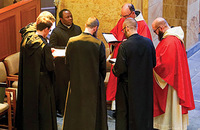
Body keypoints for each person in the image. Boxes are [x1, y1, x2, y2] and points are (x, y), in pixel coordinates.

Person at [62, 17, 108, 130]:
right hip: (93, 84)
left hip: (75, 82)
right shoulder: (98, 44)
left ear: (85, 25)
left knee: (75, 111)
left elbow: (67, 63)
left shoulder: (71, 41)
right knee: (92, 113)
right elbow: (103, 68)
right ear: (95, 28)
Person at [16, 11, 57, 130]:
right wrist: (50, 57)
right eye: (49, 29)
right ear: (45, 28)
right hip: (42, 81)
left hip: (28, 78)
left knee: (30, 107)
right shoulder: (43, 44)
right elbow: (49, 66)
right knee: (43, 110)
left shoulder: (26, 38)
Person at [106, 3, 152, 110]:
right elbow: (115, 32)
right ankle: (116, 107)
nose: (123, 19)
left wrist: (129, 44)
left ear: (132, 13)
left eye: (126, 16)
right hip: (119, 56)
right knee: (116, 83)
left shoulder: (142, 25)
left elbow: (142, 46)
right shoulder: (122, 20)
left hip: (131, 62)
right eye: (122, 16)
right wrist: (113, 40)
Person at [152, 17, 195, 129]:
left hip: (171, 82)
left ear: (161, 28)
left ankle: (170, 125)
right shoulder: (173, 38)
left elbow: (165, 66)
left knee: (172, 105)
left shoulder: (169, 42)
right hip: (176, 77)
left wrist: (152, 63)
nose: (156, 34)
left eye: (155, 31)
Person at [112, 18, 156, 130]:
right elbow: (153, 63)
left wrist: (114, 68)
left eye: (123, 30)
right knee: (143, 114)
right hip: (145, 86)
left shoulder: (124, 46)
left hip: (128, 87)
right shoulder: (148, 42)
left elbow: (119, 70)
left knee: (126, 114)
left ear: (126, 28)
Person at [49, 9, 82, 116]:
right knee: (62, 88)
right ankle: (62, 109)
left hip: (75, 64)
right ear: (61, 19)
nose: (70, 19)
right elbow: (52, 47)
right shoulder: (56, 31)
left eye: (71, 16)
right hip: (61, 65)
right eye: (67, 17)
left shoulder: (77, 29)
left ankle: (75, 108)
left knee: (75, 86)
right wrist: (67, 48)